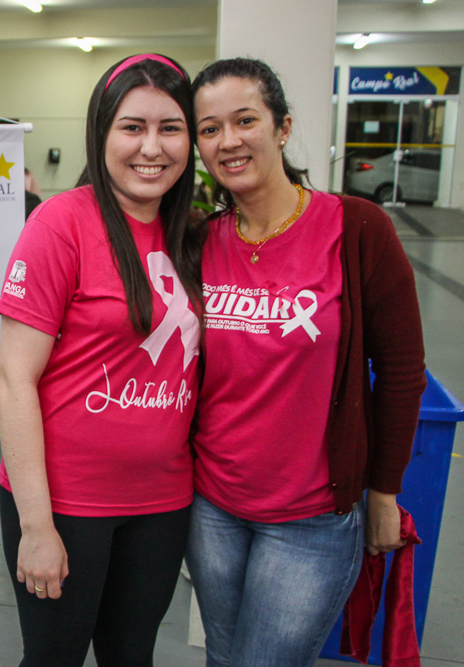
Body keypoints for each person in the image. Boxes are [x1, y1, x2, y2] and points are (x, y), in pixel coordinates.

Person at [186, 57, 427, 667]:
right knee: (222, 655)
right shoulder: (202, 240)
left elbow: (400, 371)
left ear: (283, 127)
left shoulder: (355, 228)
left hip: (312, 517)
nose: (228, 141)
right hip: (211, 506)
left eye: (245, 120)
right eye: (209, 129)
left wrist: (383, 493)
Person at [0, 54, 205, 667]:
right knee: (53, 658)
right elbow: (15, 381)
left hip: (163, 503)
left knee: (131, 657)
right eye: (132, 127)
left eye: (170, 128)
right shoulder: (61, 223)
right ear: (102, 133)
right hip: (67, 504)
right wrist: (37, 527)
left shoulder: (192, 233)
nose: (152, 147)